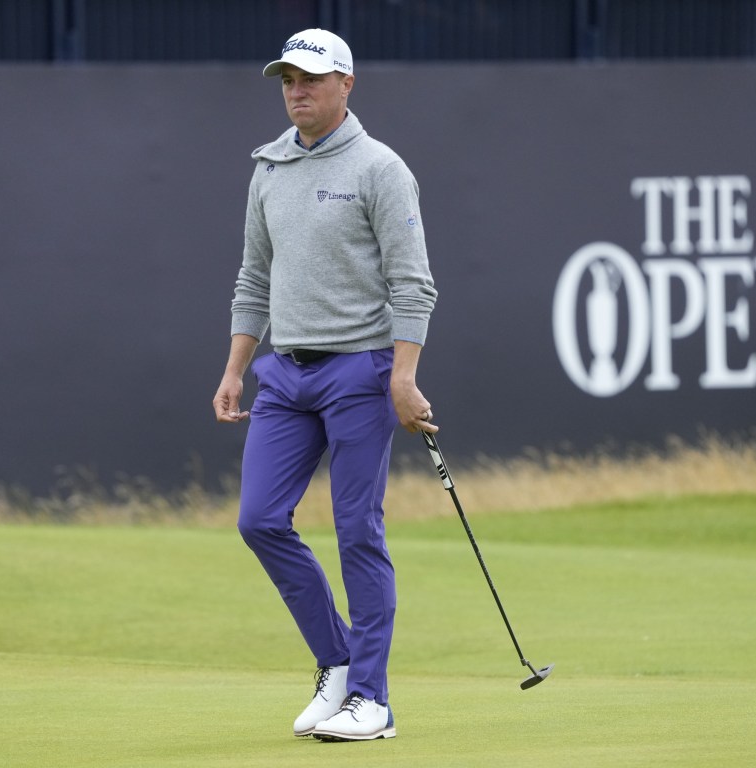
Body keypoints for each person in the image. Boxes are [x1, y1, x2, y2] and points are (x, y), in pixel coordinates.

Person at [212, 28, 437, 742]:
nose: (295, 90)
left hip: (361, 371)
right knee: (259, 521)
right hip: (285, 372)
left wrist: (404, 376)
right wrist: (236, 366)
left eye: (310, 78)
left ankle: (372, 699)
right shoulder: (270, 167)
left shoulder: (381, 168)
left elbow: (413, 283)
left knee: (356, 531)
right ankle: (337, 665)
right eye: (287, 79)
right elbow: (255, 276)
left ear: (346, 84)